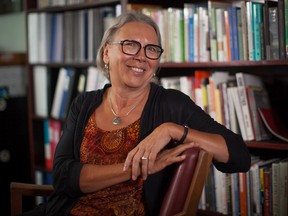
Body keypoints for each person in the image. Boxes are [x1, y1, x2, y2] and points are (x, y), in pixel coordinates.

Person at [23, 11, 251, 216]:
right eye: (130, 45)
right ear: (106, 53)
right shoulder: (84, 103)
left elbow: (240, 156)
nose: (142, 56)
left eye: (151, 49)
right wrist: (137, 168)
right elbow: (64, 178)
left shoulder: (171, 105)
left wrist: (172, 130)